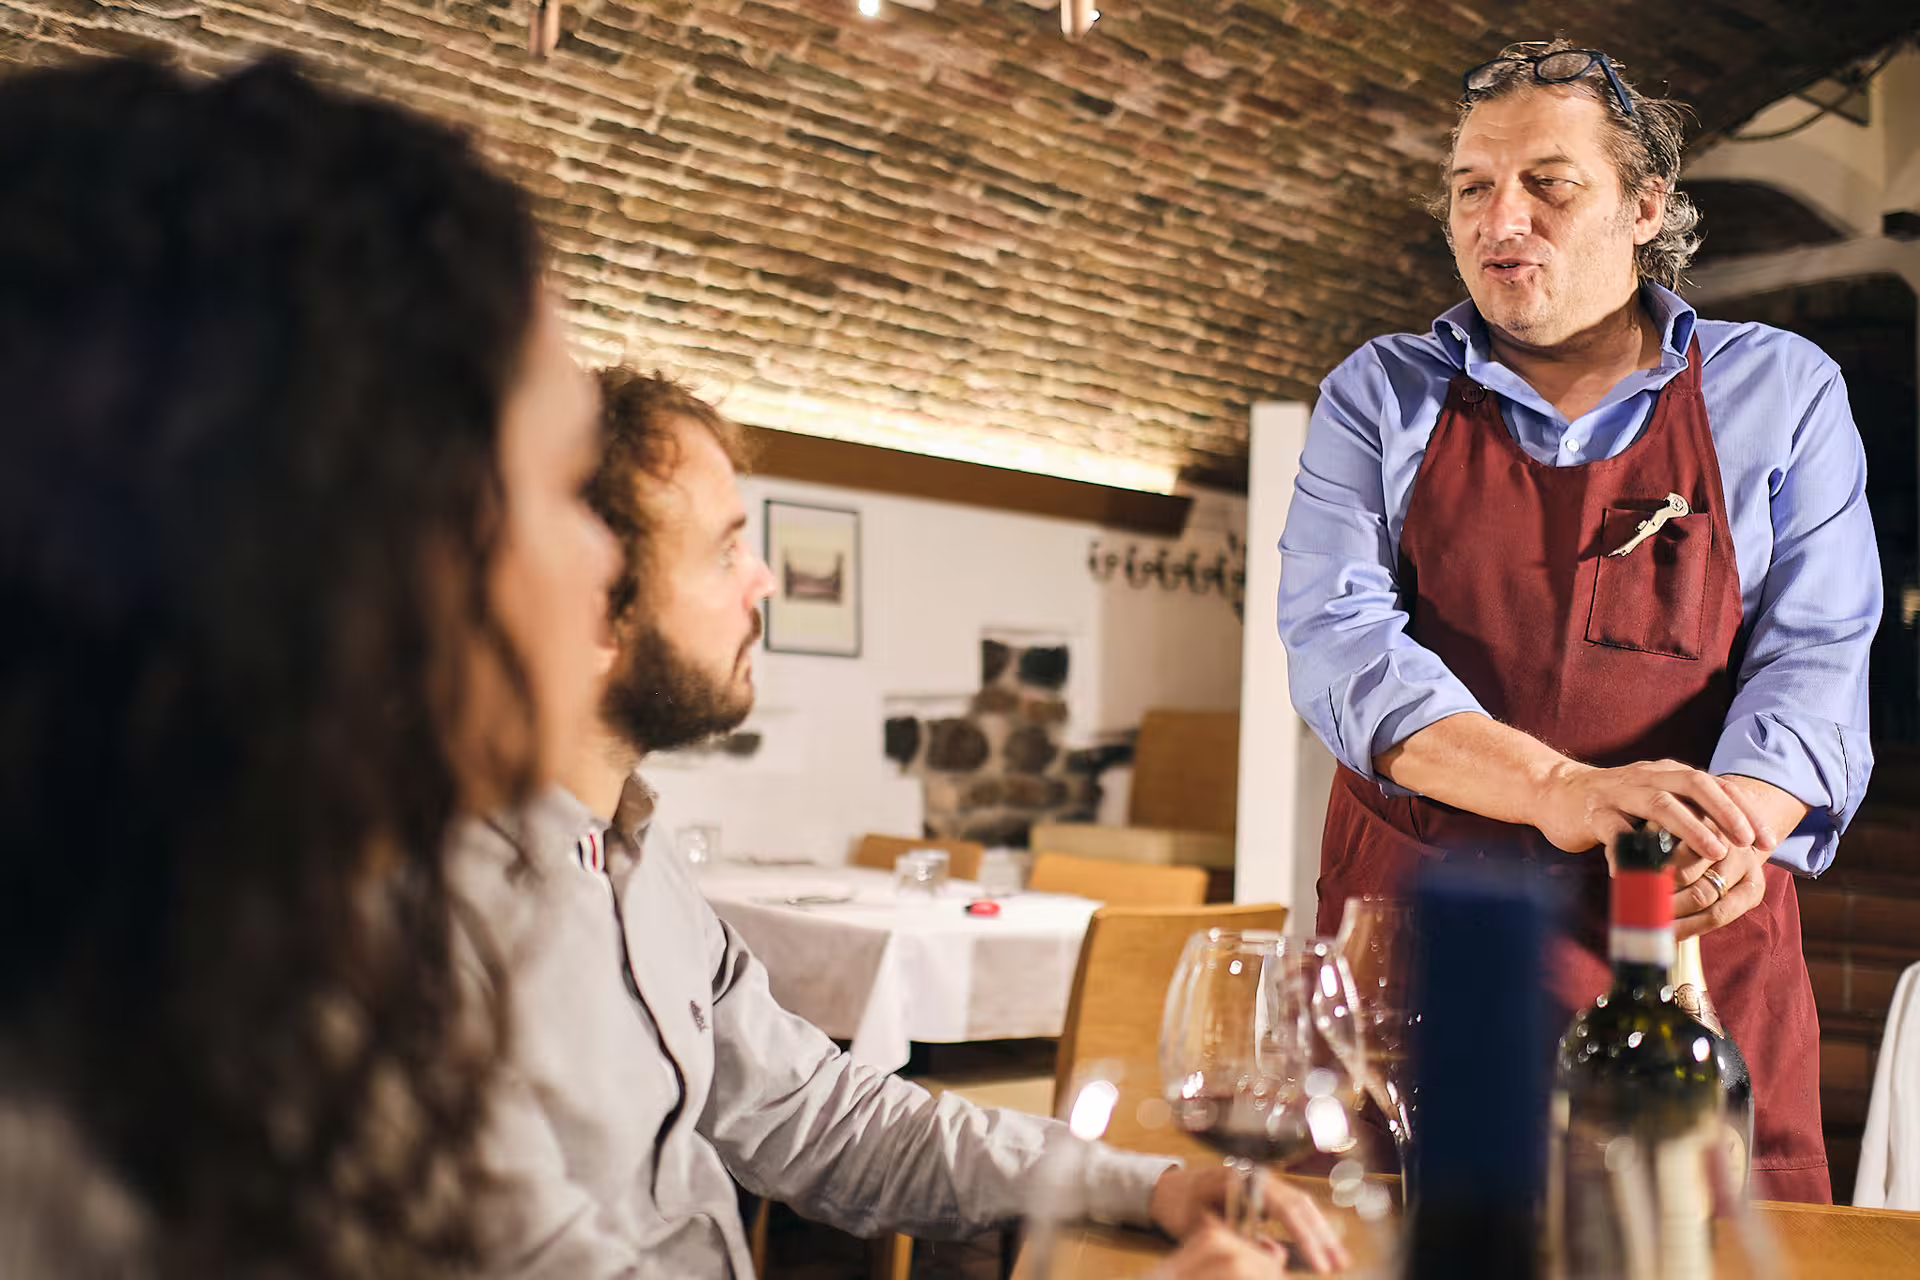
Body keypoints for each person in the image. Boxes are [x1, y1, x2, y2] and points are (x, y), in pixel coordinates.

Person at [450, 368, 1351, 1277]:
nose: (762, 579)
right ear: (591, 607)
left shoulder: (638, 867)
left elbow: (825, 1117)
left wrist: (1144, 1186)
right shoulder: (435, 925)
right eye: (725, 554)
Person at [0, 57, 619, 1276]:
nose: (603, 555)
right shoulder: (62, 1189)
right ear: (356, 537)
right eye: (564, 486)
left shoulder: (283, 986)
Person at [1277, 39, 1879, 1204]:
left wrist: (1725, 836)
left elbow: (1818, 653)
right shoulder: (1379, 393)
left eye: (1549, 183)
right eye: (1472, 187)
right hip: (1425, 947)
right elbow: (1341, 649)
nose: (1503, 216)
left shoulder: (1784, 391)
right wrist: (1564, 790)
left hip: (1685, 948)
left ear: (1646, 205)